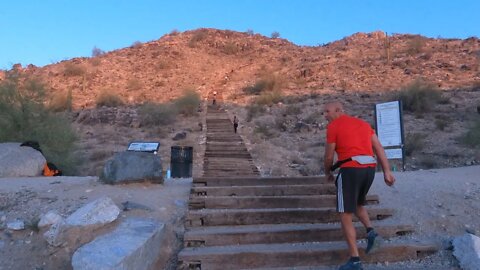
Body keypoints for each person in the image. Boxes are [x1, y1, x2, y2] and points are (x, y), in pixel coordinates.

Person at [322, 102, 395, 270]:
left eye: (327, 111)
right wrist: (387, 172)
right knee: (356, 204)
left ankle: (355, 261)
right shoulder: (363, 124)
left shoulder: (334, 126)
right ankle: (371, 232)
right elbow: (378, 148)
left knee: (345, 213)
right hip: (369, 168)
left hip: (350, 169)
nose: (325, 115)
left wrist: (327, 172)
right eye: (324, 112)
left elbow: (328, 156)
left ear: (339, 110)